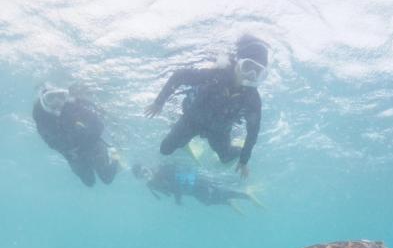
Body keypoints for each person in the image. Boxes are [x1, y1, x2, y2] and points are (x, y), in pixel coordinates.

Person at [145, 35, 268, 178]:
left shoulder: (253, 99)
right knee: (165, 149)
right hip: (191, 121)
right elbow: (179, 76)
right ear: (237, 63)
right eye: (248, 67)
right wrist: (159, 102)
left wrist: (244, 159)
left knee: (226, 158)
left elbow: (253, 132)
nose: (251, 75)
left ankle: (236, 145)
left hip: (220, 132)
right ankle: (181, 139)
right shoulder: (214, 75)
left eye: (258, 72)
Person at [32, 86, 120, 186]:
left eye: (61, 96)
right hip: (72, 154)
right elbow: (50, 142)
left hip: (91, 145)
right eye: (51, 98)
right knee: (89, 182)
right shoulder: (41, 116)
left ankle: (115, 155)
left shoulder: (74, 106)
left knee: (107, 178)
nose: (57, 102)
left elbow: (98, 124)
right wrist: (69, 148)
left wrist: (86, 135)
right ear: (43, 101)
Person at [132, 162, 261, 210]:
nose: (145, 175)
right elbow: (167, 191)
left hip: (196, 181)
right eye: (141, 176)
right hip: (191, 191)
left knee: (219, 189)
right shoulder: (152, 184)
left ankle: (246, 194)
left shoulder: (162, 170)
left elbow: (175, 186)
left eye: (144, 171)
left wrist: (178, 200)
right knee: (207, 201)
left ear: (147, 167)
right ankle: (228, 202)